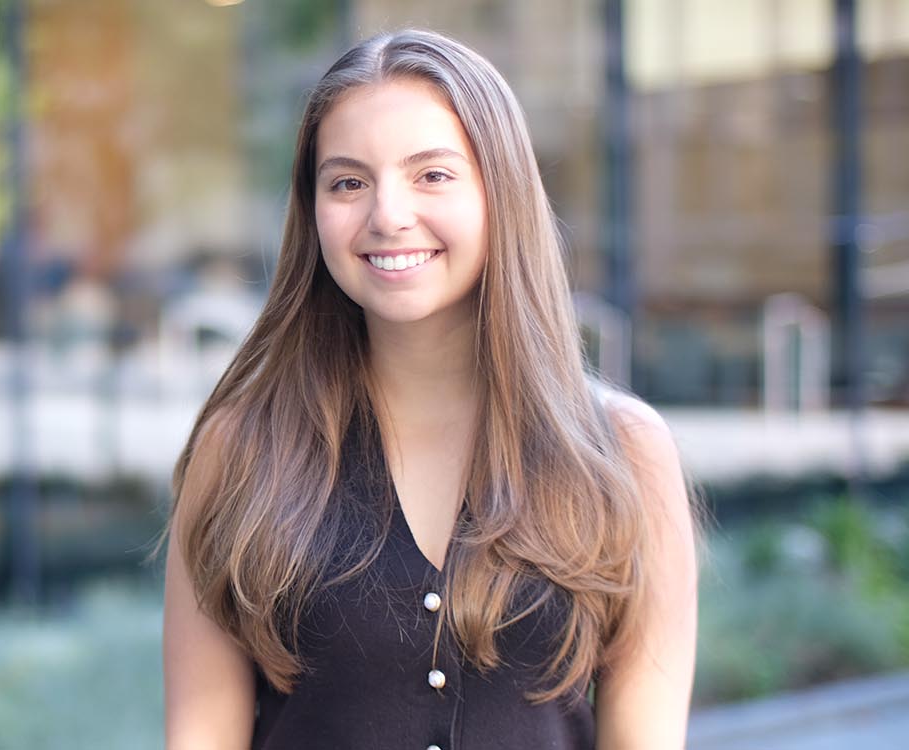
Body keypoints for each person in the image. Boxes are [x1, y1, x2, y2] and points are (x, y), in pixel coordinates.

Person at [158, 28, 699, 749]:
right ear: (311, 209)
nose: (387, 214)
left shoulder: (625, 453)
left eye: (432, 175)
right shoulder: (241, 447)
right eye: (347, 182)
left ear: (499, 191)